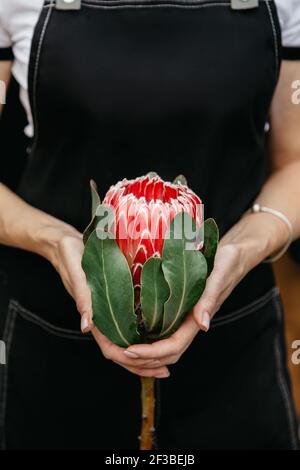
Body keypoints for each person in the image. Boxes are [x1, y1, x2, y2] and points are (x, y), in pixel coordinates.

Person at [0, 0, 300, 450]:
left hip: (231, 344)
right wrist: (57, 241)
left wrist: (240, 249)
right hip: (56, 343)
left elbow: (294, 160)